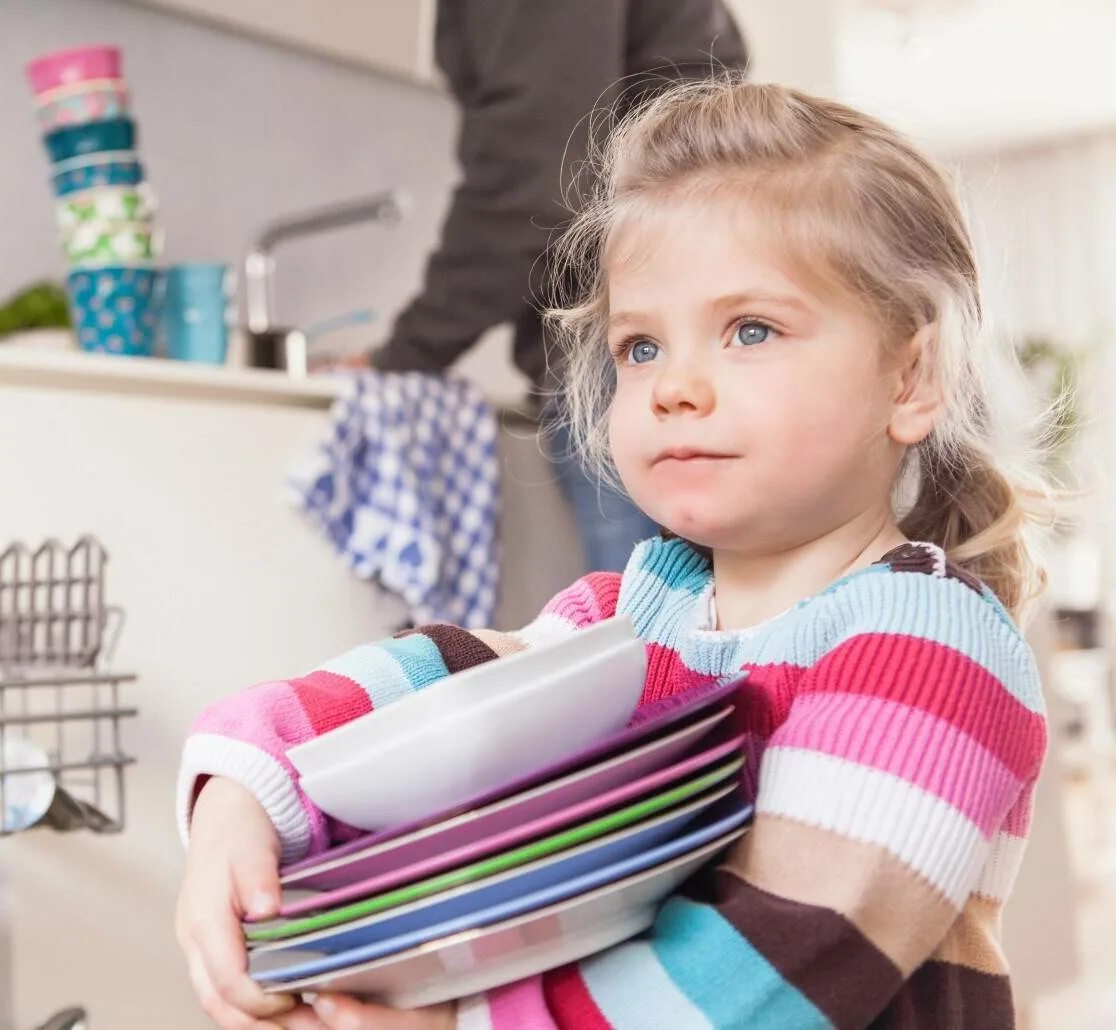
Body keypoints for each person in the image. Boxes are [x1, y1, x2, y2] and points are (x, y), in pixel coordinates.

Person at [176, 80, 1053, 1029]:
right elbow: (439, 688)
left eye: (750, 330)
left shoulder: (933, 644)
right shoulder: (640, 612)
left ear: (911, 376)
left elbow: (773, 964)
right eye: (640, 346)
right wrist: (246, 791)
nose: (675, 385)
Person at [359, 0, 747, 573]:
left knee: (651, 635)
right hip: (687, 330)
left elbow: (535, 179)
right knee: (714, 626)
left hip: (628, 353)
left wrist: (406, 352)